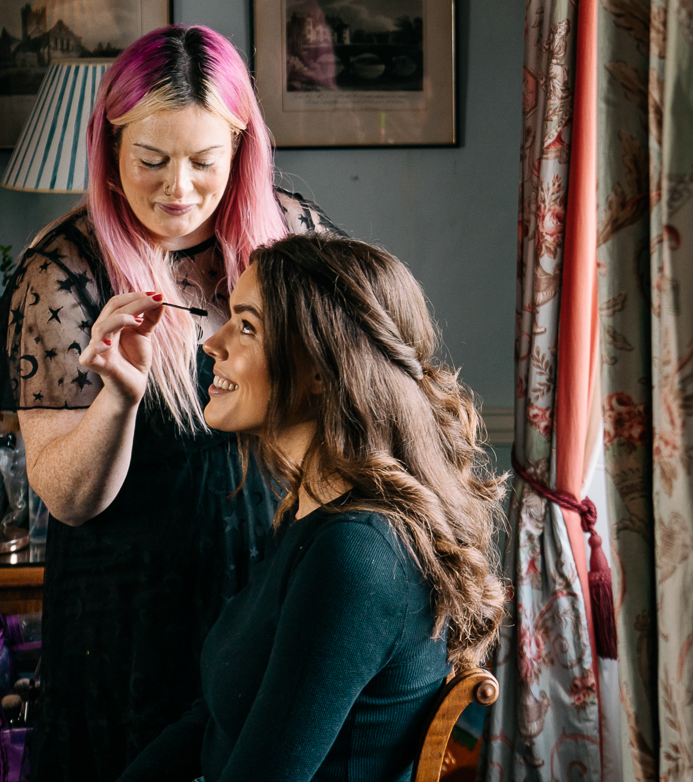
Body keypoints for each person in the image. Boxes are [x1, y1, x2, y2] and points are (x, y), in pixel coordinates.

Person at [9, 25, 336, 782]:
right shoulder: (64, 270)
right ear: (111, 150)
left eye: (204, 162)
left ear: (241, 150)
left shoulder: (293, 241)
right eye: (151, 161)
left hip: (268, 580)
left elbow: (354, 412)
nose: (177, 189)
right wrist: (119, 399)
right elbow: (68, 498)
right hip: (127, 614)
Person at [117, 233, 505, 782]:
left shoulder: (357, 556)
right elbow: (218, 718)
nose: (213, 343)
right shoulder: (314, 511)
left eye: (247, 326)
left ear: (321, 372)